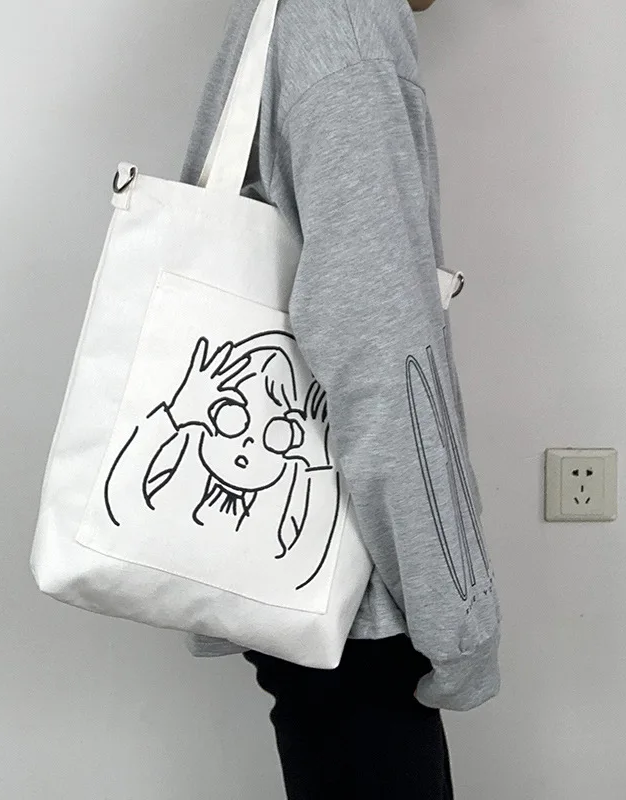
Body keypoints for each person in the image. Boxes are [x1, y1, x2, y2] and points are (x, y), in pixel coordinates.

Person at [179, 0, 501, 797]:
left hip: (303, 577)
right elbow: (378, 353)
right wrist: (457, 617)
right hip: (355, 597)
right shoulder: (346, 28)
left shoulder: (295, 17)